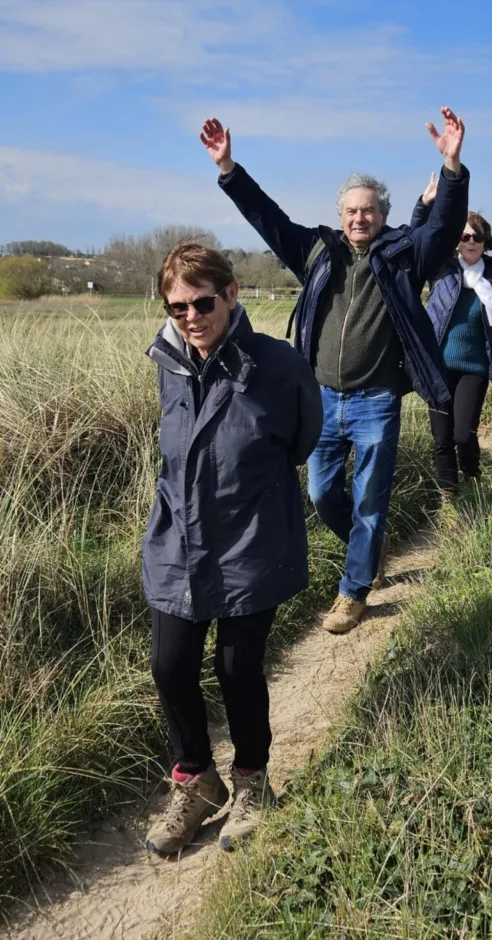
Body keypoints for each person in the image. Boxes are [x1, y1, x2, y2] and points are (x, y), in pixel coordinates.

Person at [200, 109, 469, 635]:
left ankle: (353, 590)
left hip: (376, 401)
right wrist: (228, 168)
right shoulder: (318, 252)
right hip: (321, 398)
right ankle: (368, 551)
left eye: (368, 210)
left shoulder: (403, 254)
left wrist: (453, 168)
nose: (359, 218)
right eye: (351, 210)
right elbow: (268, 218)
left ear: (383, 215)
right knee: (323, 495)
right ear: (340, 215)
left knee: (369, 500)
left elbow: (443, 228)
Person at [142, 242, 322, 857]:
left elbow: (303, 437)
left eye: (202, 303)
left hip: (251, 538)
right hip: (178, 540)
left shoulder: (278, 363)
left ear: (232, 294)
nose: (191, 317)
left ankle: (252, 780)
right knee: (169, 666)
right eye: (177, 307)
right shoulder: (168, 361)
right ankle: (197, 780)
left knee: (237, 668)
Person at [413, 194, 492, 494]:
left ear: (486, 243)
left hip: (474, 369)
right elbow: (418, 239)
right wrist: (425, 204)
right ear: (456, 241)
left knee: (462, 435)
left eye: (477, 237)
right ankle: (450, 495)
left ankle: (472, 477)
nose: (471, 241)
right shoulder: (441, 271)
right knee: (441, 438)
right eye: (464, 236)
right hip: (438, 368)